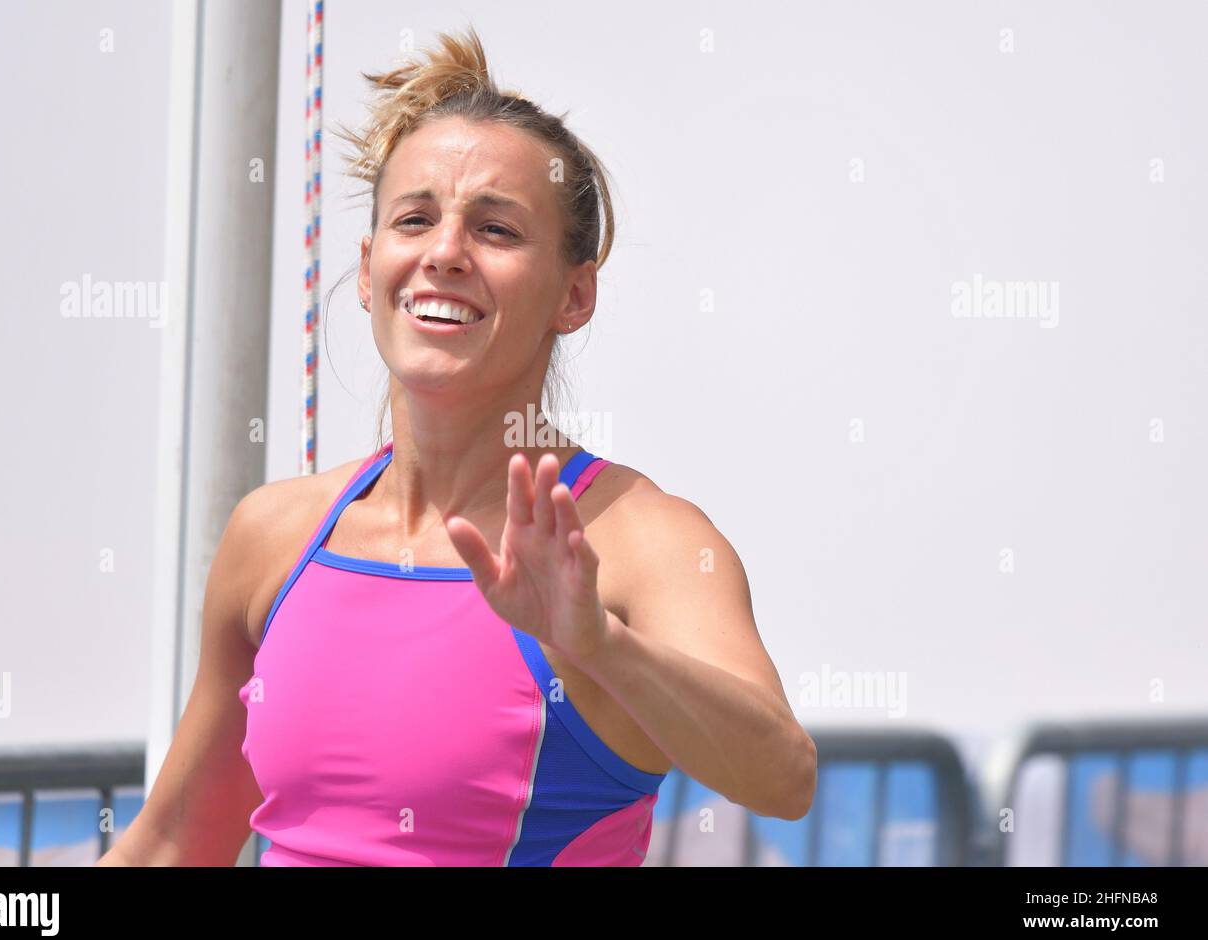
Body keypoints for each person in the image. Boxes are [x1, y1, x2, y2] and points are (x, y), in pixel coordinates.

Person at [98, 24, 815, 867]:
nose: (445, 253)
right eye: (414, 220)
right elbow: (178, 842)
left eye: (497, 231)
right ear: (368, 269)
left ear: (574, 294)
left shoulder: (638, 541)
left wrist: (602, 649)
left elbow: (782, 776)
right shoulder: (275, 536)